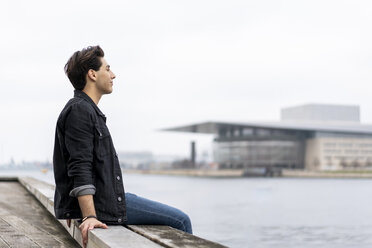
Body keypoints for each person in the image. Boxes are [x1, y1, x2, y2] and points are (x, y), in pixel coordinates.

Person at [53, 46, 192, 248]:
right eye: (107, 69)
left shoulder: (86, 110)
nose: (113, 75)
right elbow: (79, 166)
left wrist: (74, 208)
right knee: (182, 221)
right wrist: (88, 215)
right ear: (92, 74)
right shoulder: (80, 110)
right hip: (105, 206)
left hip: (108, 198)